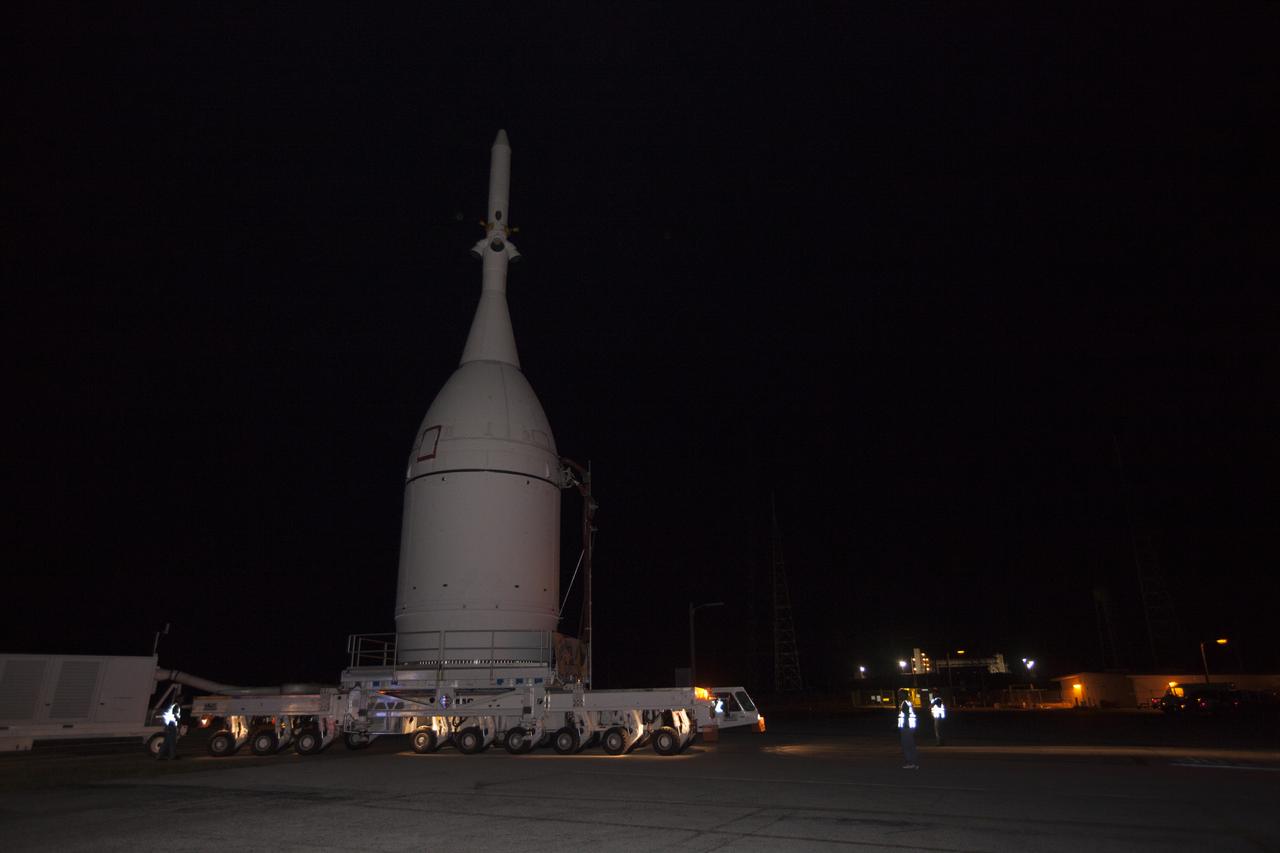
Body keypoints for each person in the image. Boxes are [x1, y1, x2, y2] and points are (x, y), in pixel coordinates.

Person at [897, 691, 918, 769]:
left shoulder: (904, 703)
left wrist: (904, 726)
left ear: (903, 695)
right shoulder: (909, 702)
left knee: (906, 745)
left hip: (906, 727)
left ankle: (910, 763)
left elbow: (906, 715)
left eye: (900, 695)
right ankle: (914, 762)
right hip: (910, 727)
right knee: (911, 745)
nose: (899, 696)